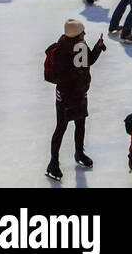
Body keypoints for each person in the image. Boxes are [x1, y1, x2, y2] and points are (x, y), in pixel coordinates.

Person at [45, 19, 106, 181]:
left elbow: (85, 63)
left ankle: (78, 153)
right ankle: (53, 163)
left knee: (78, 123)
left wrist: (97, 48)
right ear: (78, 33)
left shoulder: (66, 43)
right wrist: (97, 49)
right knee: (63, 127)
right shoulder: (76, 46)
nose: (84, 33)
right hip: (69, 94)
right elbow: (85, 64)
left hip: (76, 92)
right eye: (82, 31)